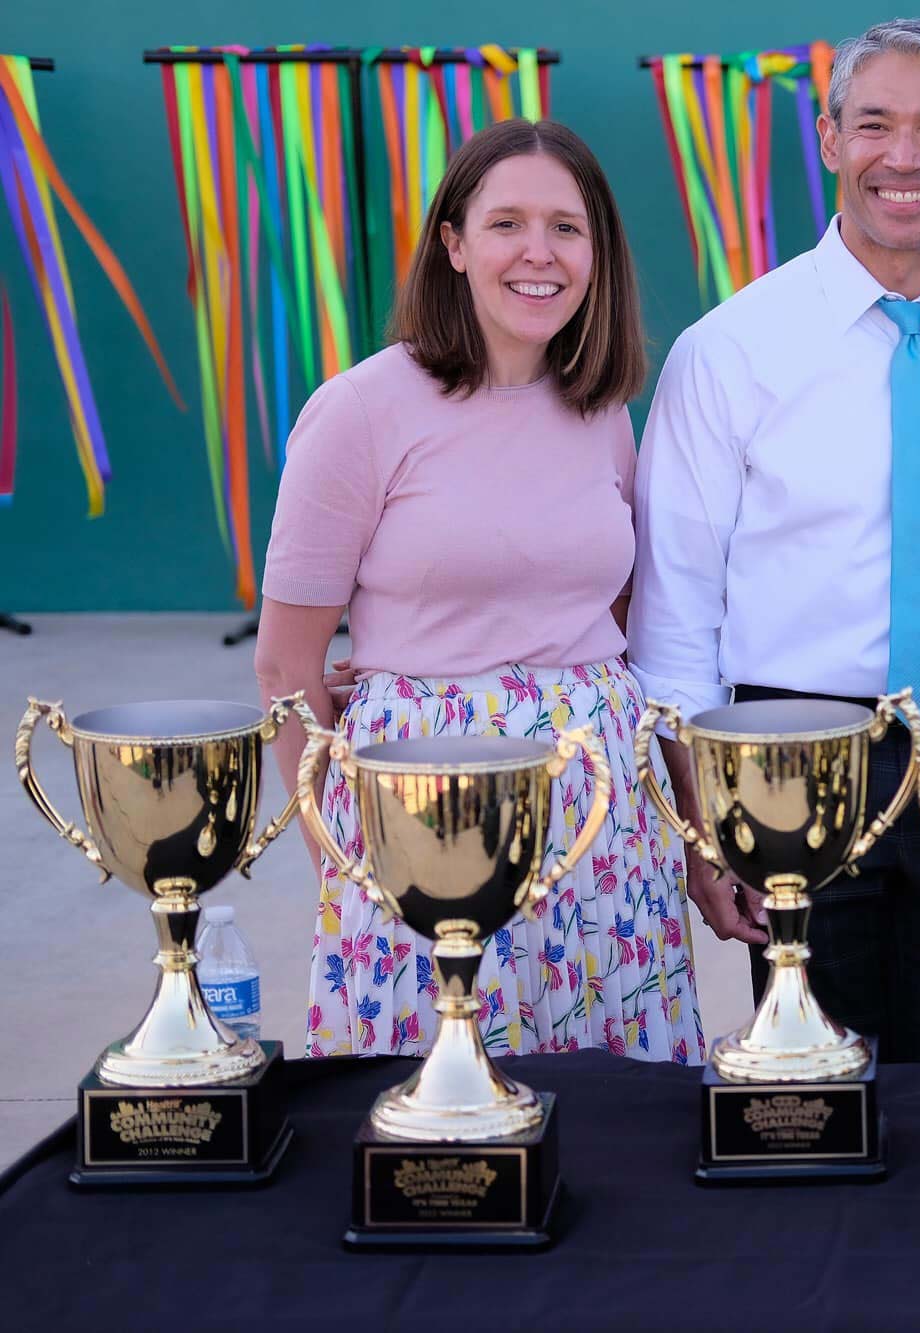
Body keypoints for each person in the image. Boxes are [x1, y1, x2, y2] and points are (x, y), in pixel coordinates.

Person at [628, 18, 920, 1063]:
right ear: (830, 142)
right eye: (872, 123)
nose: (903, 155)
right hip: (792, 757)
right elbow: (676, 618)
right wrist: (706, 832)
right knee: (812, 1090)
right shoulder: (729, 352)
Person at [255, 120, 704, 1063]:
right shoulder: (361, 411)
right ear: (453, 245)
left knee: (614, 1124)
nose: (538, 254)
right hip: (423, 822)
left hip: (601, 824)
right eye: (506, 224)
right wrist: (340, 866)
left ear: (598, 254)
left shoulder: (603, 411)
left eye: (566, 229)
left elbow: (614, 618)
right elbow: (288, 660)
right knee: (441, 1129)